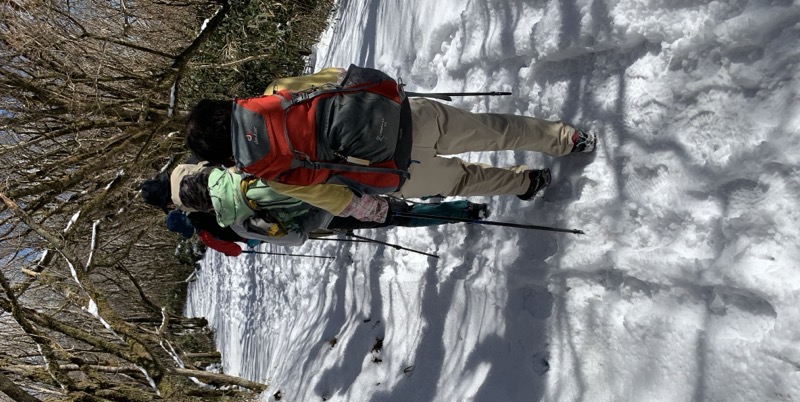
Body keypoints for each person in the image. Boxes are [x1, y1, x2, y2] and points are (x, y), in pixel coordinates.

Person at [184, 66, 596, 219]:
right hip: (405, 118)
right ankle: (568, 139)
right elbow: (340, 78)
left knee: (464, 180)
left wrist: (375, 210)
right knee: (493, 130)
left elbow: (333, 197)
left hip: (393, 171)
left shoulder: (269, 172)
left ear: (224, 155)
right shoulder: (278, 91)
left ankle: (527, 183)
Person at [174, 164, 490, 247]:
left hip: (333, 209)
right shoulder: (239, 166)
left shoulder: (239, 222)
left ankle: (465, 212)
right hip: (331, 171)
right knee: (397, 180)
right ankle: (447, 183)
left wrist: (318, 212)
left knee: (395, 215)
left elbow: (296, 237)